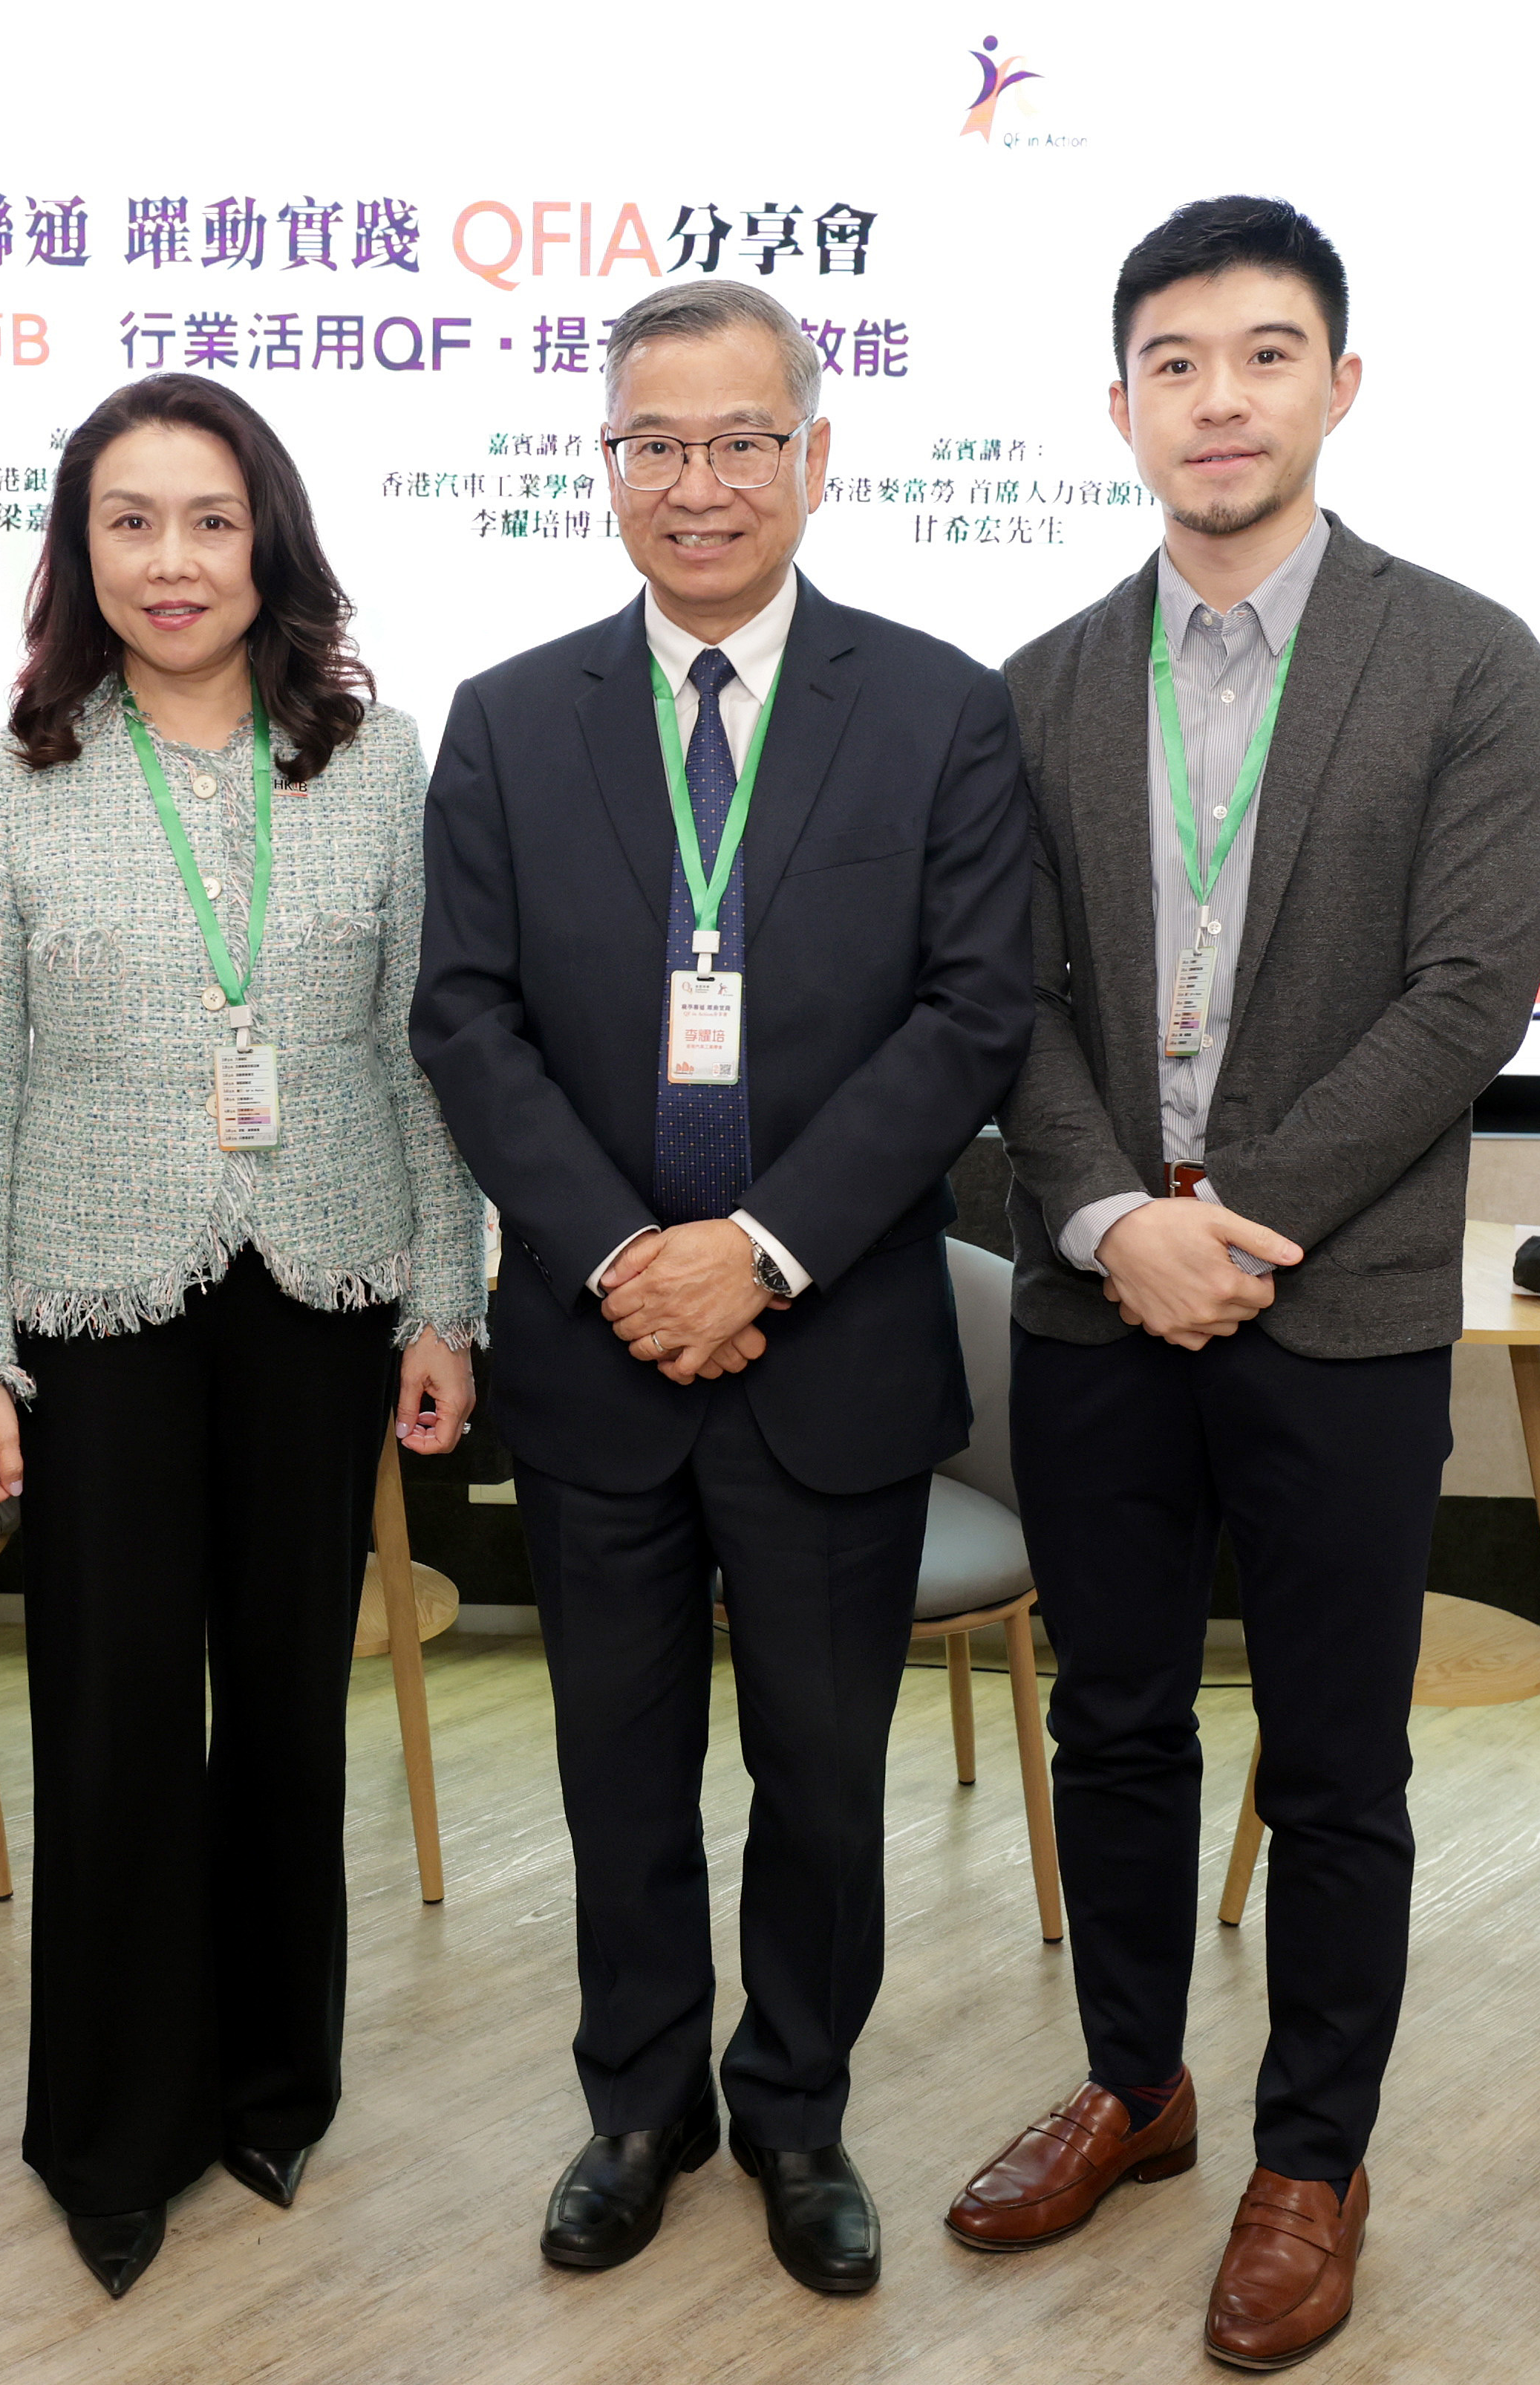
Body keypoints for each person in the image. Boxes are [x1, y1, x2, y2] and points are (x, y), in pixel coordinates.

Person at [946, 197, 1540, 2369]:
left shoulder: (1465, 661)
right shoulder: (1032, 689)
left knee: (1334, 1759)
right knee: (1109, 1720)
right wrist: (1117, 1219)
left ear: (1340, 384)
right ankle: (1136, 2083)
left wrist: (1222, 1216)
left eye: (1264, 354)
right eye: (1175, 363)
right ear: (1118, 404)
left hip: (1342, 1308)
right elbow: (1002, 999)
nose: (1218, 399)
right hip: (1093, 1303)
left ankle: (1313, 2153)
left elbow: (1464, 993)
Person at [411, 278, 1034, 2299]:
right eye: (655, 444)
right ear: (604, 465)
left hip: (826, 1345)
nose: (699, 483)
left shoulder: (937, 710)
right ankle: (636, 2102)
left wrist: (754, 1252)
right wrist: (624, 1257)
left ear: (814, 457)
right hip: (597, 1351)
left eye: (741, 440)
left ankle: (794, 2109)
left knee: (821, 1779)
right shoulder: (509, 720)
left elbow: (970, 1018)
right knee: (616, 1769)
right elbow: (464, 1018)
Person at [0, 372, 486, 2301]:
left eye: (211, 520)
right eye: (131, 522)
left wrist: (446, 1299)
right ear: (79, 552)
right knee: (112, 1716)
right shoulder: (15, 776)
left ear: (270, 543)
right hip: (94, 1305)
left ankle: (269, 2082)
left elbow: (422, 1050)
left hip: (322, 1290)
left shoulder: (373, 759)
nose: (173, 561)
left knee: (289, 1703)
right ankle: (110, 2125)